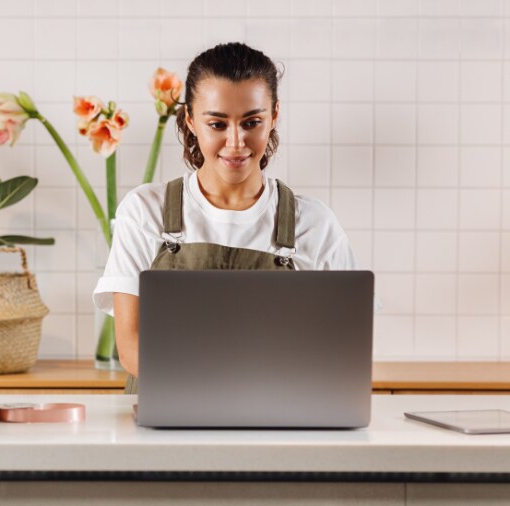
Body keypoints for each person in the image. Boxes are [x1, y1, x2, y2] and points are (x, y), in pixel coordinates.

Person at [92, 42, 358, 394]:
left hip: (279, 421)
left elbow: (343, 348)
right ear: (190, 119)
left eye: (252, 122)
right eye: (217, 124)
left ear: (274, 115)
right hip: (165, 423)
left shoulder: (315, 223)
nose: (236, 143)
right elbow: (131, 347)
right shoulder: (145, 211)